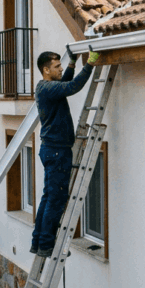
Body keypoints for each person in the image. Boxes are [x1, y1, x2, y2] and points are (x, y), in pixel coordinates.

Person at [30, 48, 101, 257]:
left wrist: (72, 64)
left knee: (49, 197)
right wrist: (89, 65)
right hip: (57, 152)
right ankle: (46, 244)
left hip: (52, 150)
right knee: (56, 199)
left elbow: (64, 83)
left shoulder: (46, 87)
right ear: (46, 70)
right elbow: (71, 87)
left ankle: (38, 241)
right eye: (57, 66)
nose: (60, 69)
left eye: (61, 66)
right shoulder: (47, 88)